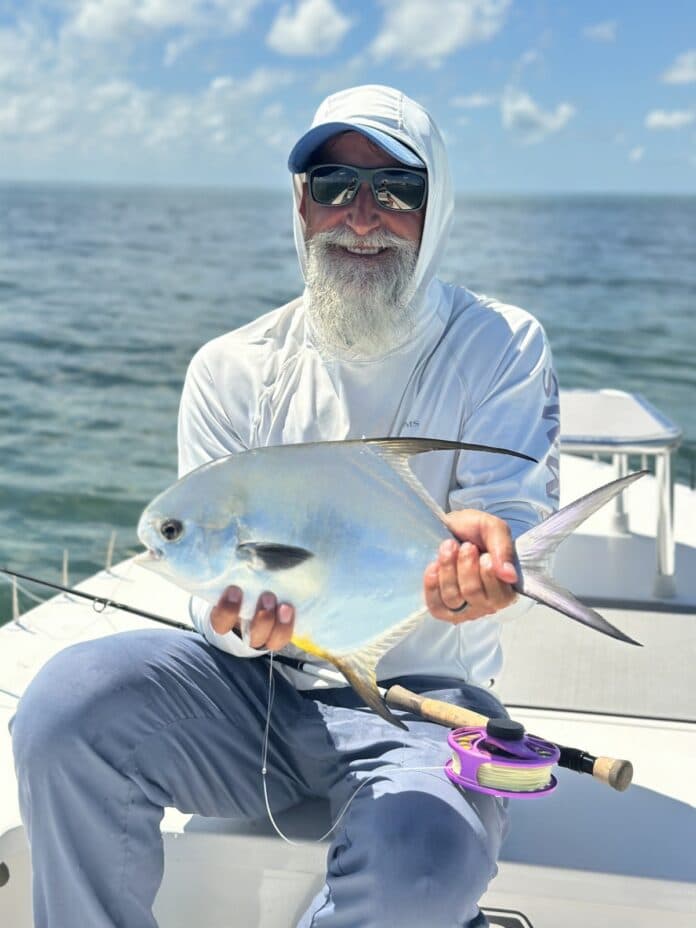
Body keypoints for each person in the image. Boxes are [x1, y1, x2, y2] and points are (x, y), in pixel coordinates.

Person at [12, 85, 559, 928]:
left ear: (435, 201)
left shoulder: (499, 344)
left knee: (423, 864)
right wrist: (230, 623)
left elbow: (506, 520)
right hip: (251, 693)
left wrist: (497, 561)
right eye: (333, 184)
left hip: (424, 701)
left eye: (396, 188)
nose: (361, 215)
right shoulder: (230, 368)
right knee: (66, 708)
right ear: (299, 202)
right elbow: (216, 589)